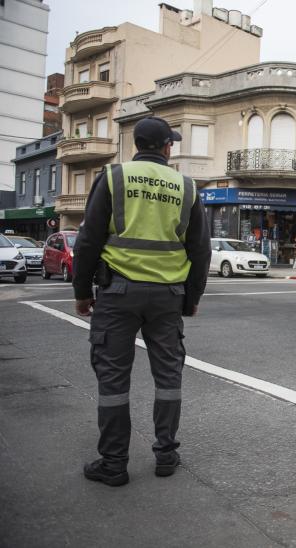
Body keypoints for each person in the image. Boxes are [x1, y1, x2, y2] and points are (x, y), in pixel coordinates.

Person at [72, 116, 211, 487]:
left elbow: (88, 240)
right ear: (167, 147)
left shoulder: (114, 177)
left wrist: (82, 292)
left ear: (137, 144)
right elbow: (200, 248)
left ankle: (114, 463)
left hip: (118, 293)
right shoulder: (186, 186)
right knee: (168, 376)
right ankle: (166, 454)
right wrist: (192, 297)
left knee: (114, 380)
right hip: (167, 297)